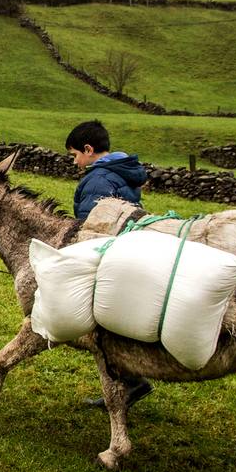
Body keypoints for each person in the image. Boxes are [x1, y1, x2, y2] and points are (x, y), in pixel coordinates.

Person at [66, 120, 153, 409]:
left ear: (88, 150)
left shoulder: (99, 180)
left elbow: (95, 227)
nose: (75, 162)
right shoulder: (120, 172)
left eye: (75, 155)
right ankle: (128, 382)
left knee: (99, 328)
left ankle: (129, 382)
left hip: (107, 258)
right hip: (127, 253)